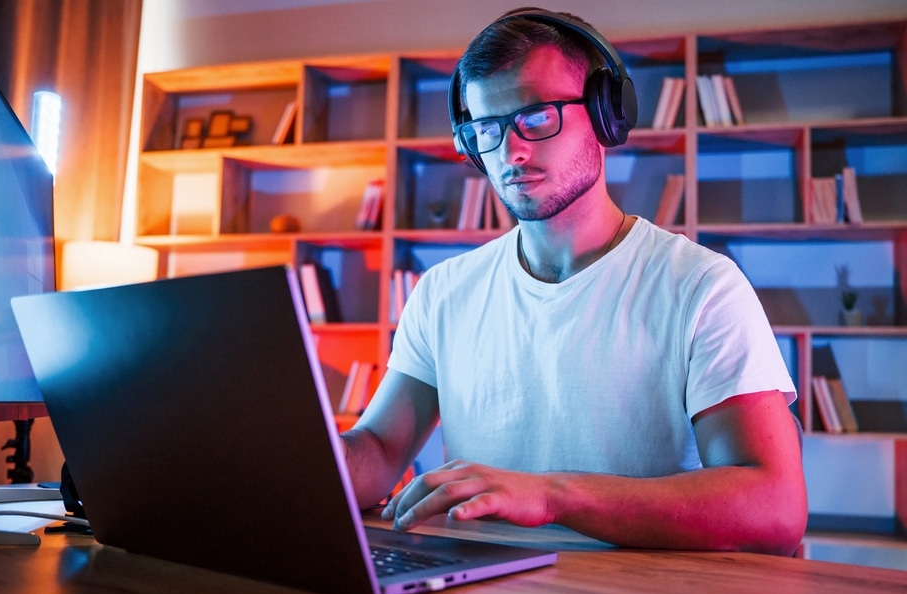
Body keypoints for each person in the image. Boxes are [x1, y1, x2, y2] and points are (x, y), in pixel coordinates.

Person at [340, 7, 807, 556]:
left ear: (607, 115)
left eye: (536, 117)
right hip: (474, 589)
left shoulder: (701, 286)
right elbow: (375, 449)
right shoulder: (442, 292)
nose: (510, 151)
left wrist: (551, 496)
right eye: (487, 129)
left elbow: (775, 508)